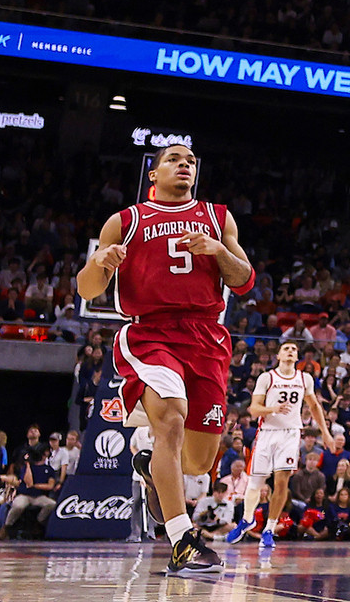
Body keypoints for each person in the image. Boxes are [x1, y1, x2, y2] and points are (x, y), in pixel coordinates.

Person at [74, 143, 251, 576]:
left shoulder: (217, 216)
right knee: (169, 420)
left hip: (206, 338)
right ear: (154, 174)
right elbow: (86, 289)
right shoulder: (126, 220)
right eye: (174, 159)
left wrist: (218, 251)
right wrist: (100, 260)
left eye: (190, 161)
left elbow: (243, 279)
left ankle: (155, 475)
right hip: (151, 333)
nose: (184, 165)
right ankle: (182, 542)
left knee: (198, 462)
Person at [228, 341, 326, 549]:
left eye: (294, 350)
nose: (290, 351)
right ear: (279, 355)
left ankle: (269, 529)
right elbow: (253, 409)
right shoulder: (267, 377)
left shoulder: (304, 378)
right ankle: (247, 519)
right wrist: (272, 408)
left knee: (281, 483)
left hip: (290, 434)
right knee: (255, 484)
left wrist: (325, 433)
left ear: (297, 357)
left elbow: (315, 406)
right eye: (286, 349)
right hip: (266, 433)